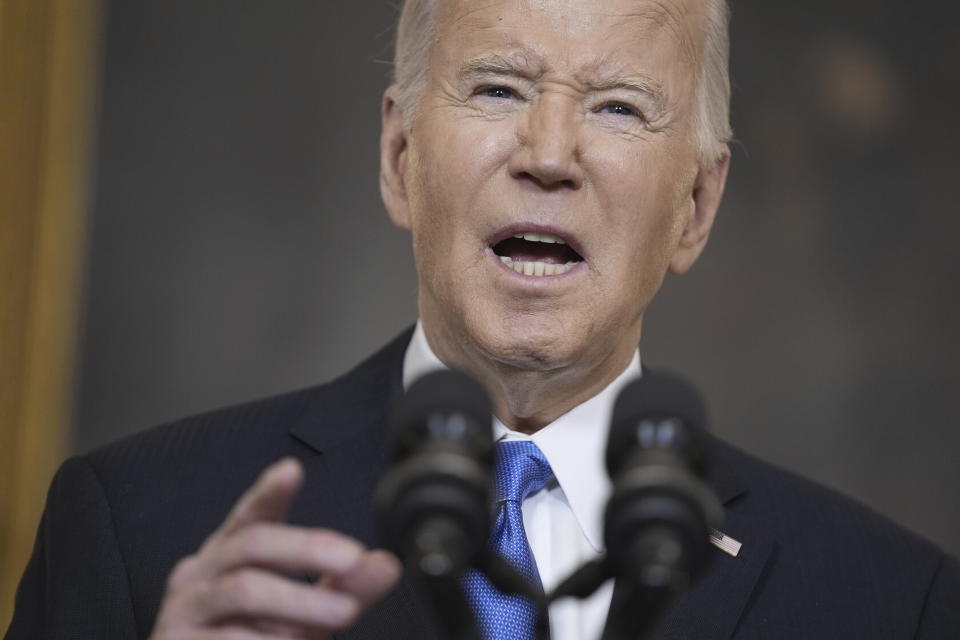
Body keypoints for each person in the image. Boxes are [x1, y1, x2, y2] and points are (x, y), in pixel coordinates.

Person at [7, 0, 959, 638]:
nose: (549, 153)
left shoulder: (887, 602)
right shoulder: (136, 529)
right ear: (397, 157)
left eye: (619, 108)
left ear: (696, 208)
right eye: (498, 88)